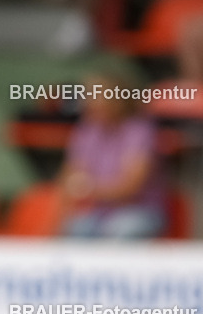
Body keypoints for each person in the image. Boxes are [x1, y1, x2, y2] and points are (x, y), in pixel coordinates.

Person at [59, 73, 167, 238]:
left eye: (97, 97)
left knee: (120, 229)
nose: (89, 103)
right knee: (77, 228)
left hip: (141, 211)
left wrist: (88, 188)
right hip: (100, 214)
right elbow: (70, 177)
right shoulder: (87, 131)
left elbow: (130, 188)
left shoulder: (139, 131)